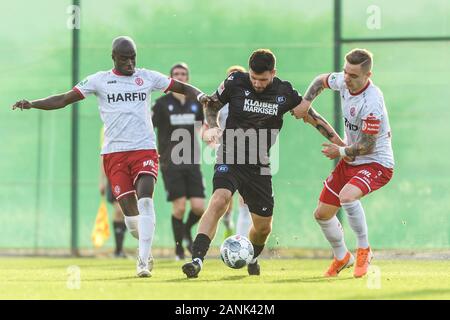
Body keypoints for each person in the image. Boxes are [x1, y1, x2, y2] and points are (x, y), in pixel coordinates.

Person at [12, 36, 210, 277]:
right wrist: (32, 104)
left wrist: (201, 97)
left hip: (143, 150)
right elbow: (64, 99)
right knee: (132, 221)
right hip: (114, 154)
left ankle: (143, 260)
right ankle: (143, 242)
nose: (130, 63)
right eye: (125, 58)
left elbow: (181, 87)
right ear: (114, 57)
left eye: (133, 57)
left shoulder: (146, 77)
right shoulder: (99, 80)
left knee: (146, 199)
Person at [182, 49, 344, 278]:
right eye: (254, 78)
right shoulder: (235, 82)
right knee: (220, 199)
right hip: (230, 155)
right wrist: (212, 125)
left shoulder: (284, 92)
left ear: (273, 73)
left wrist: (342, 145)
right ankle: (196, 260)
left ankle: (252, 257)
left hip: (259, 165)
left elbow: (311, 116)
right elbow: (211, 104)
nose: (257, 84)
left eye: (263, 79)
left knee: (263, 227)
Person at [291, 48, 394, 278]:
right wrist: (306, 103)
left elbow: (368, 146)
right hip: (351, 158)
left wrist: (340, 150)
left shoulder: (372, 101)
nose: (346, 78)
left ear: (368, 75)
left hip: (377, 163)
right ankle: (341, 256)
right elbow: (320, 81)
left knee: (347, 196)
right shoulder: (343, 80)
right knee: (322, 214)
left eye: (353, 75)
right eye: (346, 72)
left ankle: (364, 249)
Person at [152, 63, 205, 260]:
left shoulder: (195, 103)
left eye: (183, 74)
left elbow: (204, 126)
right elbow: (149, 126)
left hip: (192, 161)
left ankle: (184, 230)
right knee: (180, 207)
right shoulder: (161, 104)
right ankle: (178, 249)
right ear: (170, 78)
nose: (180, 77)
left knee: (199, 207)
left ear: (188, 78)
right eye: (176, 74)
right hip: (170, 162)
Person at [217, 65, 252, 239]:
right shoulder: (221, 103)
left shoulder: (250, 101)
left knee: (245, 199)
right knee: (225, 197)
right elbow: (210, 123)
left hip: (249, 152)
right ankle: (228, 220)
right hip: (226, 152)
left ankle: (240, 239)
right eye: (231, 76)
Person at [99, 127, 127, 258]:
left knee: (129, 211)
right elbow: (103, 155)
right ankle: (118, 250)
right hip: (114, 171)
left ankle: (122, 250)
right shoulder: (107, 127)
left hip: (130, 169)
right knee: (118, 210)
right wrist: (102, 179)